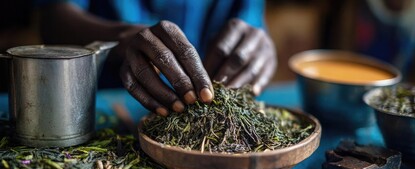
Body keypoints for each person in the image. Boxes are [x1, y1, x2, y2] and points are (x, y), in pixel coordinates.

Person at [35, 0, 277, 116]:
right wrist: (119, 37)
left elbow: (250, 16)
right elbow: (54, 16)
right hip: (101, 106)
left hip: (205, 101)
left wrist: (258, 43)